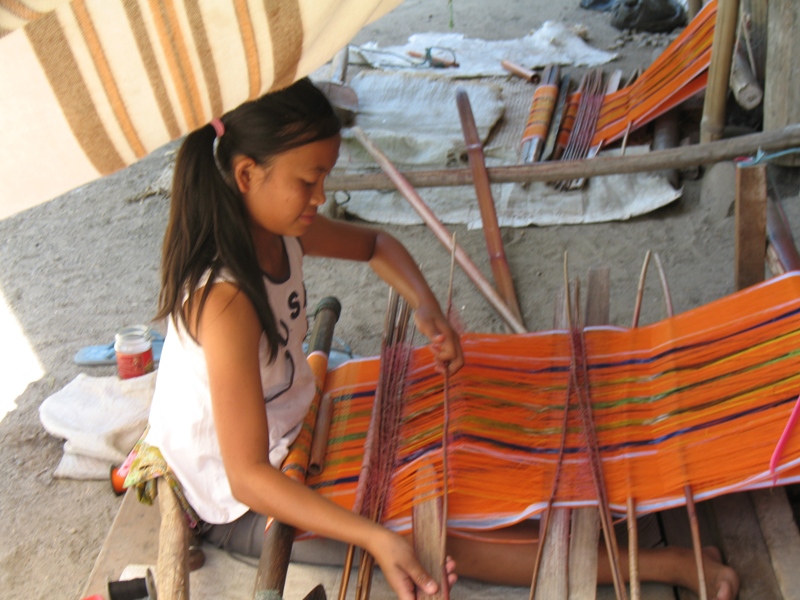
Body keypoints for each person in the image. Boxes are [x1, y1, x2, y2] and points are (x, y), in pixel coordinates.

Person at [126, 77, 738, 600]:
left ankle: (602, 502)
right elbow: (247, 477)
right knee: (433, 534)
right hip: (238, 502)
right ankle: (655, 565)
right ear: (245, 175)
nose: (322, 198)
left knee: (454, 437)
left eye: (325, 180)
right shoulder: (226, 299)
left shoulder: (279, 227)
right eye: (309, 181)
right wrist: (374, 536)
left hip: (299, 426)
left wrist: (426, 308)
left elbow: (375, 245)